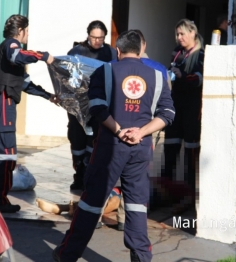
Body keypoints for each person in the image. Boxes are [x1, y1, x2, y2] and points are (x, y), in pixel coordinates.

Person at [52, 30, 175, 262]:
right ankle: (141, 258)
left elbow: (97, 108)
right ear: (142, 49)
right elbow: (167, 113)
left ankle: (67, 254)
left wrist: (119, 130)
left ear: (118, 51)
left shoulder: (105, 71)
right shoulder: (158, 76)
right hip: (141, 147)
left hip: (110, 146)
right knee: (137, 205)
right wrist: (141, 132)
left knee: (91, 203)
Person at [0, 14, 55, 213]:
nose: (28, 35)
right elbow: (18, 55)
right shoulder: (11, 46)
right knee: (6, 154)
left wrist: (49, 96)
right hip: (3, 101)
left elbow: (24, 83)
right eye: (27, 31)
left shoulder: (10, 52)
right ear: (21, 31)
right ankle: (0, 199)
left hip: (1, 102)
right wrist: (43, 56)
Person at [65, 20, 117, 191]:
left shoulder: (110, 52)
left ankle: (89, 174)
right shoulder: (77, 51)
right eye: (94, 37)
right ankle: (78, 174)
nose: (97, 41)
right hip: (78, 106)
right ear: (88, 35)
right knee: (77, 139)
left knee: (94, 140)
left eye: (100, 38)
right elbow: (65, 74)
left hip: (99, 105)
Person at [160, 19, 204, 213]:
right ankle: (165, 192)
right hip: (174, 108)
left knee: (190, 153)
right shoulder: (176, 53)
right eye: (177, 34)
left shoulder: (201, 55)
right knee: (169, 149)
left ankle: (189, 196)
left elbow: (198, 80)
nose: (179, 38)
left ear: (193, 33)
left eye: (182, 34)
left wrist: (181, 76)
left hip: (192, 110)